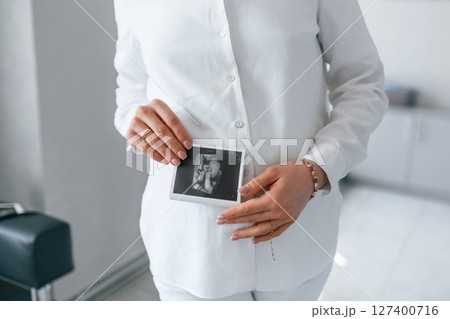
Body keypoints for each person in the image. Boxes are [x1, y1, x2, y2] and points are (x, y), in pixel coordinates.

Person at [113, 0, 388, 301]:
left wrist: (316, 170)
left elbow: (363, 84)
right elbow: (130, 90)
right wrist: (134, 119)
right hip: (188, 244)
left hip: (297, 242)